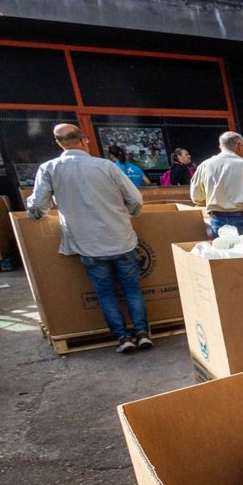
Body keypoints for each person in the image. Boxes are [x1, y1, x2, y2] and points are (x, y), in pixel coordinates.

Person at [25, 124, 150, 354]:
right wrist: (129, 214)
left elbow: (38, 206)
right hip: (121, 238)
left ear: (58, 143)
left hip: (88, 244)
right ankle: (142, 333)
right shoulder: (106, 166)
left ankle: (123, 338)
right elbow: (135, 198)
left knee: (105, 292)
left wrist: (36, 213)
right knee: (132, 289)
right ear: (84, 140)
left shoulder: (50, 168)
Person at [190, 131, 243, 238]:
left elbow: (196, 197)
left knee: (224, 253)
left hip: (217, 219)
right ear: (239, 146)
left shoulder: (205, 166)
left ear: (221, 146)